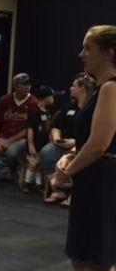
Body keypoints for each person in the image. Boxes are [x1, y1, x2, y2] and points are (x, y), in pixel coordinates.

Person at [46, 25, 116, 271]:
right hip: (103, 178)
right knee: (102, 259)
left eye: (88, 48)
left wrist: (66, 172)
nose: (81, 54)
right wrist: (73, 157)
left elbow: (100, 143)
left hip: (100, 181)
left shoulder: (111, 88)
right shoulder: (105, 88)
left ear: (108, 52)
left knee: (86, 261)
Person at [42, 74, 96, 204]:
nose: (70, 88)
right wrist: (57, 138)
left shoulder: (93, 108)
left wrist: (75, 143)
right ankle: (58, 189)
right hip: (62, 143)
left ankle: (72, 192)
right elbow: (56, 125)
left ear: (82, 88)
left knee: (74, 161)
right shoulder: (70, 106)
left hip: (82, 145)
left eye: (74, 86)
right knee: (46, 153)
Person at [0, 73, 38, 180]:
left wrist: (9, 141)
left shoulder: (33, 102)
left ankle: (3, 169)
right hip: (4, 136)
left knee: (11, 152)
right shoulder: (5, 100)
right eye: (23, 84)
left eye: (28, 84)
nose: (27, 87)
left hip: (21, 138)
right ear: (15, 86)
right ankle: (6, 170)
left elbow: (29, 128)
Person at [23, 85, 55, 193]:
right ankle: (27, 183)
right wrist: (30, 143)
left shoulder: (46, 111)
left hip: (43, 143)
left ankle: (38, 183)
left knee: (39, 164)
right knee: (33, 163)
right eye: (51, 96)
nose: (53, 99)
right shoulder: (34, 110)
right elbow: (30, 128)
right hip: (34, 142)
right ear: (46, 97)